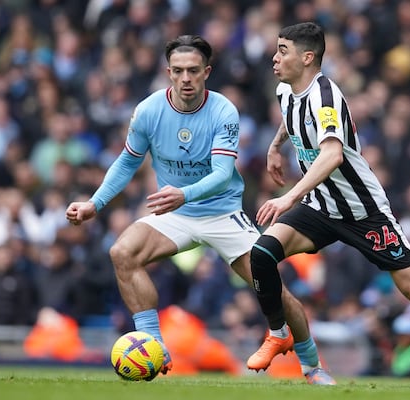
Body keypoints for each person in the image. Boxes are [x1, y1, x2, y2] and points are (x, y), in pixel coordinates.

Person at [65, 34, 334, 384]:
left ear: (207, 72)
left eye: (193, 71)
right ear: (168, 72)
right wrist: (94, 204)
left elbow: (223, 176)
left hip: (223, 213)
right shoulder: (148, 111)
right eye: (178, 71)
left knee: (274, 292)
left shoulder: (223, 110)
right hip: (175, 213)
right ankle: (155, 349)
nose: (186, 79)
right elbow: (127, 162)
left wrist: (183, 194)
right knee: (122, 252)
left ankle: (312, 366)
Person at [246, 22, 410, 390]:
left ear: (307, 57)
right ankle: (278, 333)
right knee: (262, 252)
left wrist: (289, 197)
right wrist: (274, 146)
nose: (274, 56)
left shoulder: (326, 96)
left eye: (282, 50)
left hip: (364, 212)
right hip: (322, 208)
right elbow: (292, 119)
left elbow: (332, 153)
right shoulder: (286, 90)